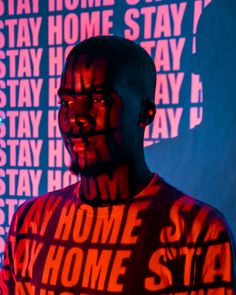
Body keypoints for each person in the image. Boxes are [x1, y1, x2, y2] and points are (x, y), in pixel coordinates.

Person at [0, 36, 235, 294]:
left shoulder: (198, 232)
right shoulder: (29, 221)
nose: (76, 117)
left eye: (99, 100)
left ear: (145, 113)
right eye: (66, 102)